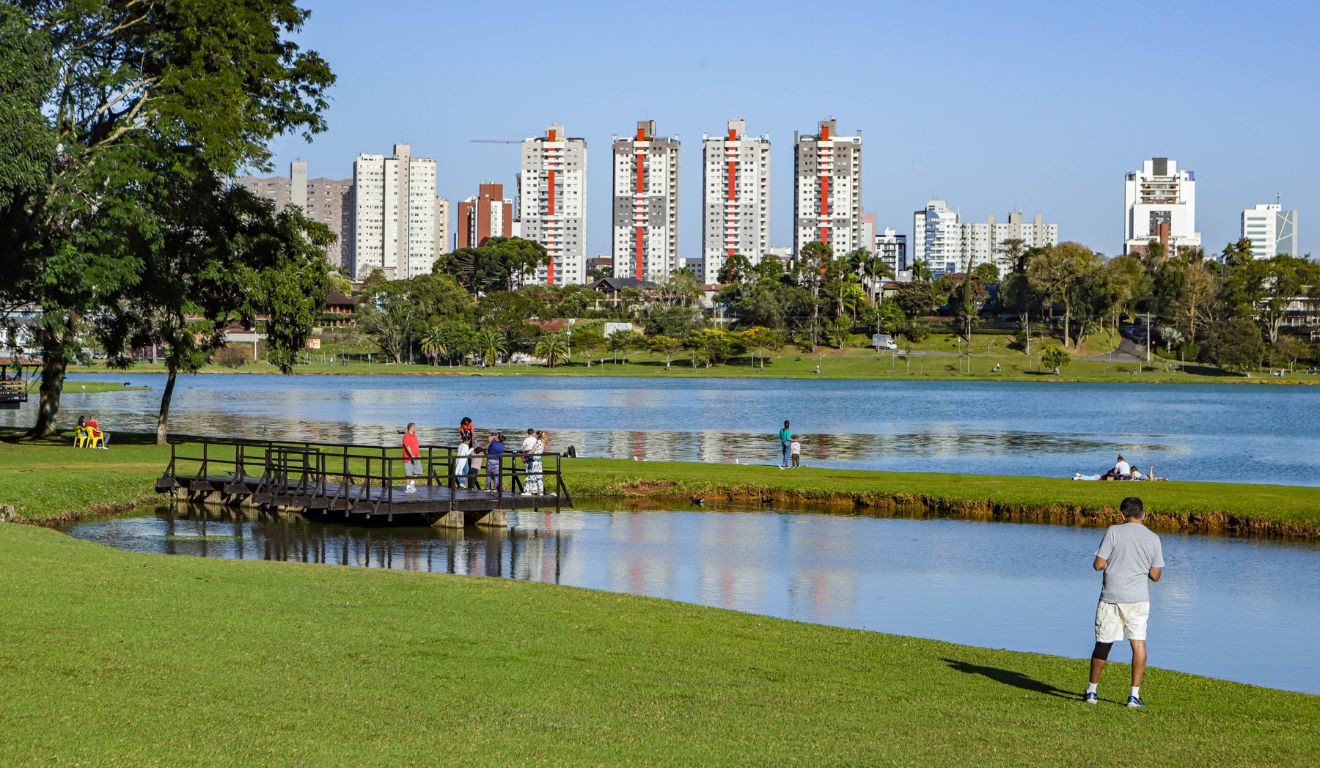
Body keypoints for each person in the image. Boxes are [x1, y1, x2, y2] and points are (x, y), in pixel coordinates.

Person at [1085, 496, 1164, 709]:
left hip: (1111, 597)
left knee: (1103, 644)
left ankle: (1092, 691)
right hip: (1138, 599)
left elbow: (1098, 564)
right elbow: (1156, 576)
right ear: (1143, 514)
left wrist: (1112, 562)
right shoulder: (1153, 538)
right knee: (1138, 644)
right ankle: (1133, 695)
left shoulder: (1113, 531)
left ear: (1122, 515)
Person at [525, 430, 547, 496]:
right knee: (538, 476)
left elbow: (532, 451)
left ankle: (529, 490)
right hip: (539, 461)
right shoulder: (543, 443)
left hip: (534, 461)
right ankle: (540, 491)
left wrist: (525, 454)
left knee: (531, 475)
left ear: (537, 436)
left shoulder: (537, 442)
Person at [402, 423, 422, 494]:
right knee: (408, 473)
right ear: (410, 428)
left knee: (419, 471)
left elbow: (416, 446)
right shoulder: (406, 436)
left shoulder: (415, 436)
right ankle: (408, 488)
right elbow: (407, 447)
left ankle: (412, 484)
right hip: (408, 458)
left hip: (416, 457)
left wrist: (418, 454)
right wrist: (412, 455)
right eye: (414, 427)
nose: (415, 428)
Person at [520, 428, 538, 492]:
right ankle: (530, 470)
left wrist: (523, 452)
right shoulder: (535, 439)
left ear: (527, 433)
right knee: (531, 463)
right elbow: (536, 446)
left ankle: (527, 470)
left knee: (526, 464)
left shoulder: (526, 439)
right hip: (532, 452)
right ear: (533, 433)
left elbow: (523, 448)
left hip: (527, 452)